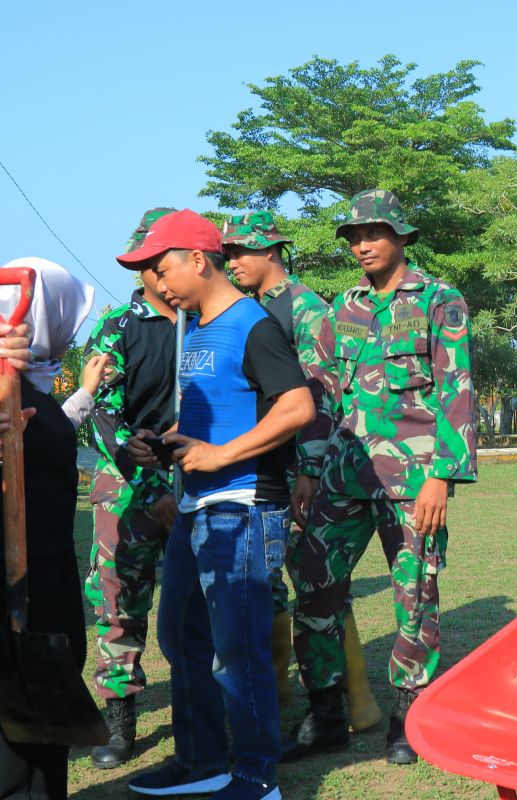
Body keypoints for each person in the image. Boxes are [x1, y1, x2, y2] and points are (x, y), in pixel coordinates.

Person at [119, 209, 314, 800]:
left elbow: (297, 408)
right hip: (197, 506)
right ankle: (200, 761)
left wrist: (222, 454)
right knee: (181, 636)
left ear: (198, 259)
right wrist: (171, 441)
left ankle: (257, 777)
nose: (156, 281)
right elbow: (220, 409)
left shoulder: (253, 325)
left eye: (161, 266)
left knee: (238, 647)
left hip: (245, 509)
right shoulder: (195, 328)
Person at [284, 189, 477, 766]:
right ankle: (326, 715)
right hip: (342, 475)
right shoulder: (342, 306)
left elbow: (457, 389)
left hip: (413, 481)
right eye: (354, 237)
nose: (362, 245)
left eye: (373, 234)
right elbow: (323, 392)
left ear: (400, 237)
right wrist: (310, 468)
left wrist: (443, 476)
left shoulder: (441, 300)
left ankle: (406, 717)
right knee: (314, 587)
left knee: (414, 597)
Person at [221, 211, 382, 733]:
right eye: (227, 254)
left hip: (301, 466)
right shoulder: (243, 308)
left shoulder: (307, 308)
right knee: (278, 578)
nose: (232, 262)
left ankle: (352, 702)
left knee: (316, 576)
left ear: (272, 251)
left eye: (240, 252)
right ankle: (285, 692)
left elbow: (319, 394)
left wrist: (310, 469)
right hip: (260, 462)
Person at [80, 207, 180, 769]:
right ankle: (119, 722)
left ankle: (214, 707)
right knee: (118, 601)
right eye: (142, 264)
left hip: (200, 476)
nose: (151, 274)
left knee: (214, 600)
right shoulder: (120, 324)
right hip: (127, 481)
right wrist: (148, 484)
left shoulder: (214, 320)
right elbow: (102, 412)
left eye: (158, 261)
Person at [0, 259, 93, 800]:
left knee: (47, 705)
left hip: (49, 564)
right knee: (19, 712)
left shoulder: (30, 383)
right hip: (21, 573)